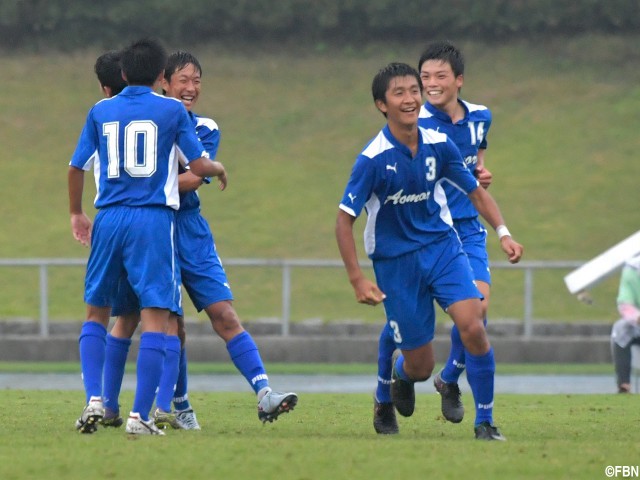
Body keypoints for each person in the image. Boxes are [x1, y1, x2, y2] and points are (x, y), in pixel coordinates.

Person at [100, 50, 298, 430]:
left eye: (197, 81)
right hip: (153, 228)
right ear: (163, 82)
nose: (191, 88)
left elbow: (195, 177)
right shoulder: (146, 122)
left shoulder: (205, 126)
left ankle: (264, 393)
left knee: (224, 314)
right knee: (171, 324)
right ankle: (179, 405)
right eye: (183, 81)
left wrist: (142, 184)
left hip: (189, 228)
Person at [335, 62, 523, 440]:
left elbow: (474, 191)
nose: (410, 99)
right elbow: (343, 221)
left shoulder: (440, 144)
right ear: (381, 105)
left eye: (413, 91)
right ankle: (396, 378)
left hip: (442, 247)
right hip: (396, 262)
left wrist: (503, 232)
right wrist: (357, 278)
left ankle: (485, 421)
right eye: (399, 93)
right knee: (420, 366)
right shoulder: (372, 159)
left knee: (474, 324)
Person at [69, 38, 227, 435]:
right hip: (152, 220)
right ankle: (140, 417)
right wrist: (219, 167)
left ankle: (95, 399)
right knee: (156, 316)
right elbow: (196, 163)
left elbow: (76, 167)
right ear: (161, 77)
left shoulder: (100, 110)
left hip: (108, 218)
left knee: (98, 312)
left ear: (123, 74)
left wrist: (76, 212)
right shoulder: (171, 109)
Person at [373, 41, 495, 434]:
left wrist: (480, 173)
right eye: (424, 77)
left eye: (439, 76)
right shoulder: (414, 120)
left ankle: (452, 379)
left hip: (466, 229)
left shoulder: (480, 116)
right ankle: (387, 389)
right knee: (404, 323)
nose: (430, 84)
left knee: (476, 313)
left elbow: (475, 163)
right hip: (424, 230)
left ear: (459, 80)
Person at [611, 254, 640, 393]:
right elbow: (625, 303)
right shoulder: (632, 270)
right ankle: (624, 385)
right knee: (620, 329)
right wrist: (637, 317)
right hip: (638, 323)